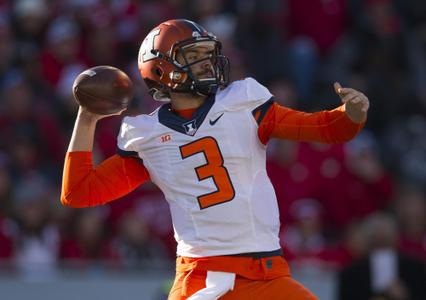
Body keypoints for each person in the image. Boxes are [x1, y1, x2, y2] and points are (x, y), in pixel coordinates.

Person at [61, 19, 369, 300]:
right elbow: (79, 192)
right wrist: (87, 118)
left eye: (207, 54)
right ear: (161, 71)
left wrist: (351, 113)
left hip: (266, 275)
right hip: (202, 279)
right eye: (193, 57)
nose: (207, 63)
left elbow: (326, 129)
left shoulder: (243, 103)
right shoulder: (148, 137)